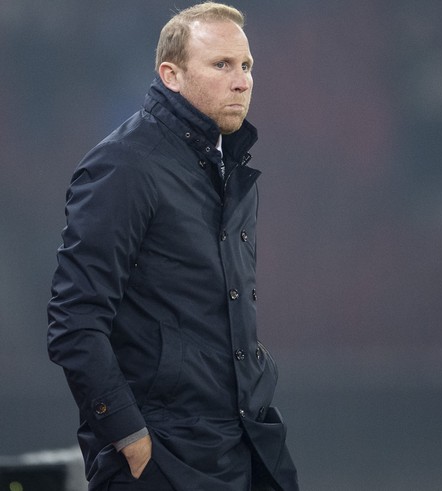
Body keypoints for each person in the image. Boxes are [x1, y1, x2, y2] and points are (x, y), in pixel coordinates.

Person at [47, 3, 299, 490]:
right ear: (172, 75)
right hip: (164, 457)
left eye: (246, 66)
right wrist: (129, 435)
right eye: (221, 65)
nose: (242, 81)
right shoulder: (125, 166)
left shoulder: (229, 168)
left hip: (242, 442)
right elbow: (74, 320)